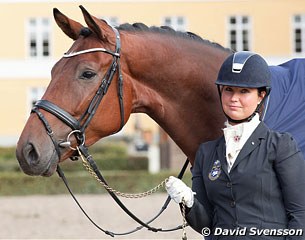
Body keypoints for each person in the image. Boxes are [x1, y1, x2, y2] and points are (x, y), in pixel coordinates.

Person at [166, 51, 305, 239]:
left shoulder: (280, 146)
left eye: (244, 91)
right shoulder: (206, 153)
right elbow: (206, 225)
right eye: (228, 90)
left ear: (261, 96)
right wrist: (189, 202)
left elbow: (300, 215)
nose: (234, 98)